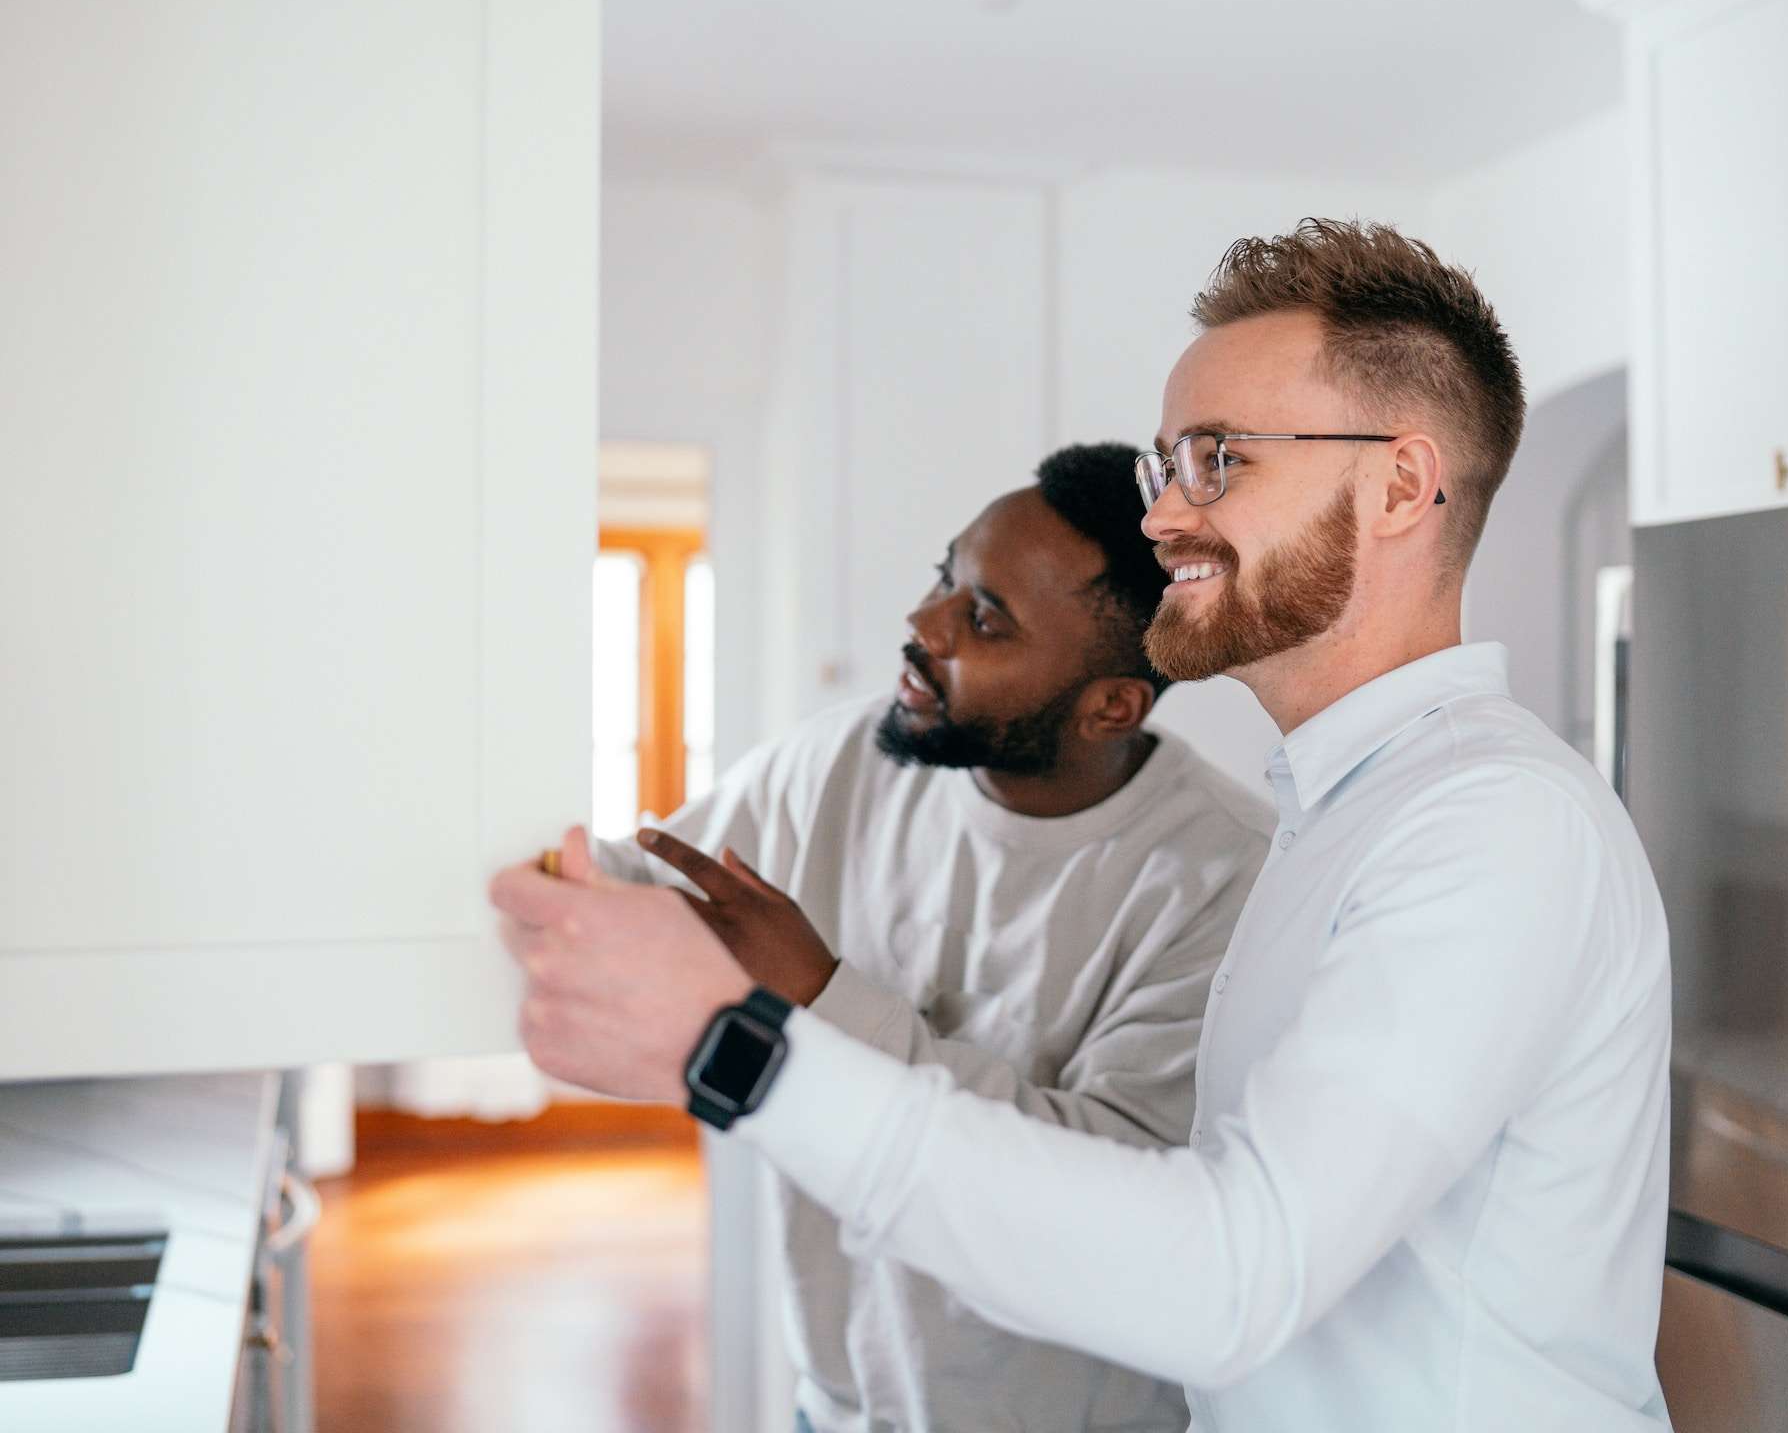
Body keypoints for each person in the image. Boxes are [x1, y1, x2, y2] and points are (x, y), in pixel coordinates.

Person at [496, 221, 1675, 1431]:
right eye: (1169, 466)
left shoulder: (1497, 825)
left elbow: (1232, 1275)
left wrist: (742, 1052)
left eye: (1218, 461)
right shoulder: (1337, 813)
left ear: (1401, 486)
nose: (1164, 521)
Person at [581, 442, 1275, 1433]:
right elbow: (645, 890)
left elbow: (1117, 1194)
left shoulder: (1223, 878)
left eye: (981, 619)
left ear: (1110, 706)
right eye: (944, 579)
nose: (921, 626)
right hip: (832, 1407)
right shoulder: (841, 761)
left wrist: (820, 996)